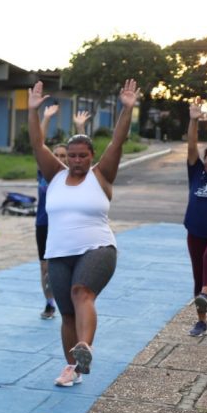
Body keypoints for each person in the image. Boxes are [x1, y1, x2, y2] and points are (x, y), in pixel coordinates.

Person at [28, 79, 139, 387]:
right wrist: (33, 111)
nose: (76, 160)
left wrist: (126, 109)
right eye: (71, 155)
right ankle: (72, 368)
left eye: (82, 155)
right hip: (59, 252)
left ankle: (85, 347)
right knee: (66, 314)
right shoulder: (55, 176)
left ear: (91, 155)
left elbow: (117, 141)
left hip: (98, 248)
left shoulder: (102, 175)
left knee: (82, 293)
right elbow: (37, 144)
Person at [36, 107, 89, 320]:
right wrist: (46, 118)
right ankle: (49, 303)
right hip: (44, 224)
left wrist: (79, 127)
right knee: (45, 268)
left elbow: (86, 149)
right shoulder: (44, 171)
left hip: (68, 226)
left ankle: (72, 302)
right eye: (55, 155)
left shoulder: (75, 175)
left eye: (63, 155)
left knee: (70, 267)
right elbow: (38, 143)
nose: (58, 158)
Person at [184, 96, 207, 337]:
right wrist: (193, 121)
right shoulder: (196, 172)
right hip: (195, 231)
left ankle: (205, 293)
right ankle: (201, 321)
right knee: (198, 275)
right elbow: (192, 147)